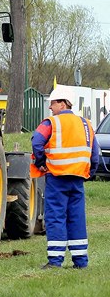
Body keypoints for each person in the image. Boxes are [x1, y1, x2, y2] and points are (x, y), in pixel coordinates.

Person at [30, 86, 100, 270]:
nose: (50, 108)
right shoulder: (86, 124)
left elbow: (36, 142)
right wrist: (88, 173)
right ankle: (80, 262)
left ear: (62, 103)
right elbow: (95, 155)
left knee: (55, 217)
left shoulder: (50, 123)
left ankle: (55, 261)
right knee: (77, 218)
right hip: (77, 179)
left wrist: (40, 163)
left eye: (52, 103)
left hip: (57, 178)